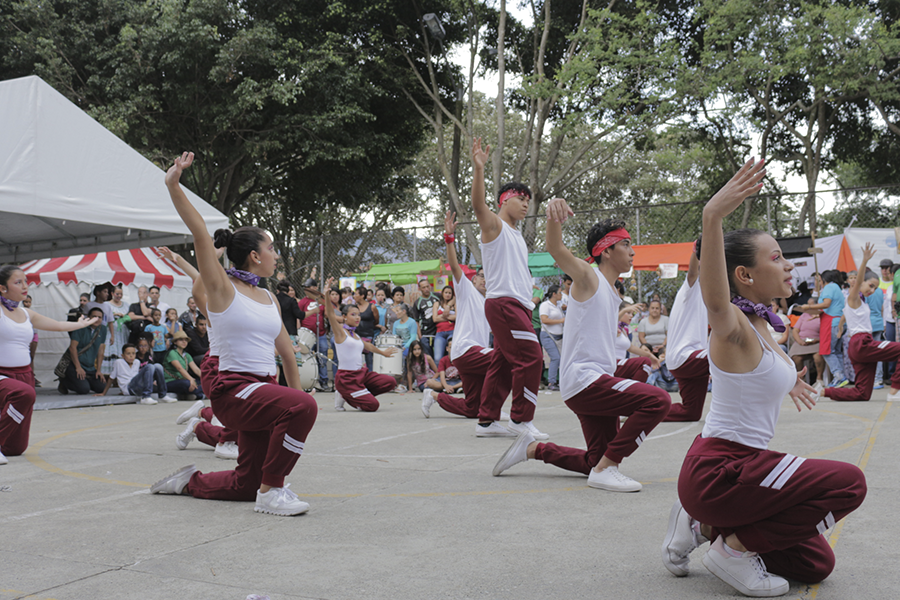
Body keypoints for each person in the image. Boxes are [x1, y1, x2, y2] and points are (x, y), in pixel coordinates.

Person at [661, 158, 866, 597]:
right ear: (745, 275)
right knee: (849, 483)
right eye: (776, 258)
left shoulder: (765, 325)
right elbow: (715, 302)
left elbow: (757, 374)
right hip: (722, 471)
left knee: (816, 564)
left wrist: (789, 378)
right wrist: (712, 216)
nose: (788, 266)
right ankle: (730, 550)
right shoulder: (732, 323)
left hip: (742, 472)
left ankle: (703, 525)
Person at [151, 151, 318, 517]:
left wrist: (292, 398)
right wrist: (173, 184)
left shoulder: (271, 298)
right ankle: (273, 490)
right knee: (303, 406)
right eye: (271, 248)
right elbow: (199, 233)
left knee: (245, 486)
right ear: (255, 256)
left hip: (261, 392)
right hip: (233, 391)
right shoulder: (223, 289)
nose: (275, 254)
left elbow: (287, 353)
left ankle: (189, 481)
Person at [492, 199, 671, 491]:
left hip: (595, 381)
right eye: (625, 244)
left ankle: (533, 450)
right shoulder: (590, 277)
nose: (632, 250)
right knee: (658, 401)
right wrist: (554, 217)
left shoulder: (612, 293)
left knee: (593, 460)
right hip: (586, 380)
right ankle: (608, 468)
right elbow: (556, 249)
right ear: (606, 250)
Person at [470, 138, 548, 440]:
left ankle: (486, 421)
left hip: (518, 305)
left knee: (502, 363)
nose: (527, 203)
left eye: (529, 200)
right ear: (504, 201)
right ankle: (520, 419)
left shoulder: (516, 235)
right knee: (531, 356)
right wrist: (479, 169)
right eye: (521, 198)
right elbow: (478, 206)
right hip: (503, 304)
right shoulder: (495, 226)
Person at [1, 266, 100, 464]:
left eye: (26, 281)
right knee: (24, 394)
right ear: (2, 288)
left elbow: (58, 325)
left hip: (24, 375)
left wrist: (81, 324)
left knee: (15, 448)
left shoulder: (27, 314)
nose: (24, 286)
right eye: (17, 282)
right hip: (3, 375)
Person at [422, 212, 511, 425]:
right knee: (505, 361)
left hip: (473, 358)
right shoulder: (467, 292)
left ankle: (433, 396)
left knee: (473, 409)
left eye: (489, 277)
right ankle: (496, 410)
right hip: (466, 349)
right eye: (481, 276)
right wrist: (449, 238)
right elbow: (453, 266)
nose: (485, 280)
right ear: (473, 279)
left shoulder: (492, 302)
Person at [823, 245, 900, 402]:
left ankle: (823, 392)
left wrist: (840, 327)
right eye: (870, 285)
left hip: (860, 345)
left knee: (862, 393)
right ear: (861, 282)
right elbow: (858, 283)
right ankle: (894, 391)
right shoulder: (853, 298)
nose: (872, 290)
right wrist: (864, 260)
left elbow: (846, 315)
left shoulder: (860, 303)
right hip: (861, 343)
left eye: (875, 288)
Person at [320, 279, 398, 412]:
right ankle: (345, 394)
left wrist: (383, 353)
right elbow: (330, 314)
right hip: (347, 378)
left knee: (390, 382)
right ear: (344, 317)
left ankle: (360, 394)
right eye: (353, 315)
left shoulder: (355, 335)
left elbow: (368, 346)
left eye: (359, 315)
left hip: (362, 374)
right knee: (373, 406)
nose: (357, 318)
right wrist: (326, 295)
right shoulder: (340, 332)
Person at [664, 241, 711, 422]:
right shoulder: (690, 289)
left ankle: (644, 409)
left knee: (691, 412)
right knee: (724, 357)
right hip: (684, 356)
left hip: (692, 363)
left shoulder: (710, 297)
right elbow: (692, 273)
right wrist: (696, 252)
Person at [802, 270, 847, 386]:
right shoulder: (837, 287)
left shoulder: (829, 287)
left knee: (827, 351)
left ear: (824, 280)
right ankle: (841, 376)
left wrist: (809, 306)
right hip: (838, 321)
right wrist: (817, 314)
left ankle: (838, 376)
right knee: (836, 351)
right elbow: (831, 307)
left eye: (820, 280)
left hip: (831, 323)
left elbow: (826, 304)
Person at [93, 343, 173, 405]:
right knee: (150, 366)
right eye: (128, 354)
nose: (131, 356)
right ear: (123, 355)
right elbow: (111, 378)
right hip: (129, 388)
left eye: (133, 353)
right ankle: (146, 397)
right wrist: (104, 393)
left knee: (158, 366)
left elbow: (136, 377)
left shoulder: (137, 362)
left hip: (137, 385)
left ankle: (162, 395)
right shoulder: (118, 362)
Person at [58, 306, 109, 395]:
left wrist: (99, 370)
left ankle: (83, 381)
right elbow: (72, 348)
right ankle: (64, 382)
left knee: (101, 387)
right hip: (74, 364)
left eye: (99, 317)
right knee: (83, 389)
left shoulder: (103, 329)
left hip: (90, 366)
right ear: (88, 317)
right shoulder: (80, 327)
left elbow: (101, 350)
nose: (97, 319)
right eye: (94, 316)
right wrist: (78, 367)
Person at [297, 279, 329, 391]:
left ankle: (324, 381)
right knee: (306, 357)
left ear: (315, 288)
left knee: (322, 356)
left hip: (320, 334)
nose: (307, 290)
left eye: (309, 287)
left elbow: (327, 314)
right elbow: (298, 316)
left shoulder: (321, 301)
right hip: (306, 334)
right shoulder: (302, 302)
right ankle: (308, 380)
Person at [163, 330, 205, 399]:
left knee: (203, 381)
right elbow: (180, 369)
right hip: (171, 381)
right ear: (175, 342)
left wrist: (207, 379)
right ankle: (200, 392)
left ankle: (197, 393)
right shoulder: (172, 353)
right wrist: (191, 379)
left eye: (186, 340)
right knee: (187, 383)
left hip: (184, 379)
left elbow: (196, 369)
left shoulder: (187, 355)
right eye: (181, 340)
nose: (184, 342)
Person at [539, 285, 565, 391]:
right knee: (555, 358)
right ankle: (551, 382)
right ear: (554, 294)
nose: (561, 295)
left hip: (559, 335)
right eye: (559, 292)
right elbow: (544, 320)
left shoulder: (558, 305)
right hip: (548, 335)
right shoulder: (546, 305)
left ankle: (558, 381)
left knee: (561, 358)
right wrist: (560, 321)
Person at [102, 285, 129, 376]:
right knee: (111, 350)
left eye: (121, 294)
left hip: (123, 333)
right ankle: (108, 375)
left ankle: (120, 375)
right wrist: (113, 315)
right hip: (111, 332)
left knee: (121, 351)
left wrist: (124, 317)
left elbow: (129, 317)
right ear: (112, 293)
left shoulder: (126, 305)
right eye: (117, 294)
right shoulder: (106, 304)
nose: (119, 296)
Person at [353, 286, 378, 371]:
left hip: (368, 336)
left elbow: (376, 320)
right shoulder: (354, 307)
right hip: (357, 335)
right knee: (357, 358)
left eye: (356, 294)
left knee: (369, 359)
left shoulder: (372, 307)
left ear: (362, 295)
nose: (354, 296)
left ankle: (370, 378)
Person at [879, 258, 896, 382]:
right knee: (889, 347)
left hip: (896, 320)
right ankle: (890, 375)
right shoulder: (879, 283)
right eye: (883, 268)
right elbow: (882, 307)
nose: (885, 271)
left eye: (888, 269)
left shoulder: (895, 284)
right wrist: (883, 322)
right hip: (888, 321)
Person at [432, 285, 456, 362]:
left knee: (453, 355)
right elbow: (435, 319)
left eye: (450, 293)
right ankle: (439, 374)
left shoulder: (455, 304)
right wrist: (448, 315)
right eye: (446, 292)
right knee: (437, 358)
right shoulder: (437, 304)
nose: (448, 294)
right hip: (440, 333)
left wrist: (441, 316)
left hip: (452, 331)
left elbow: (457, 317)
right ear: (442, 293)